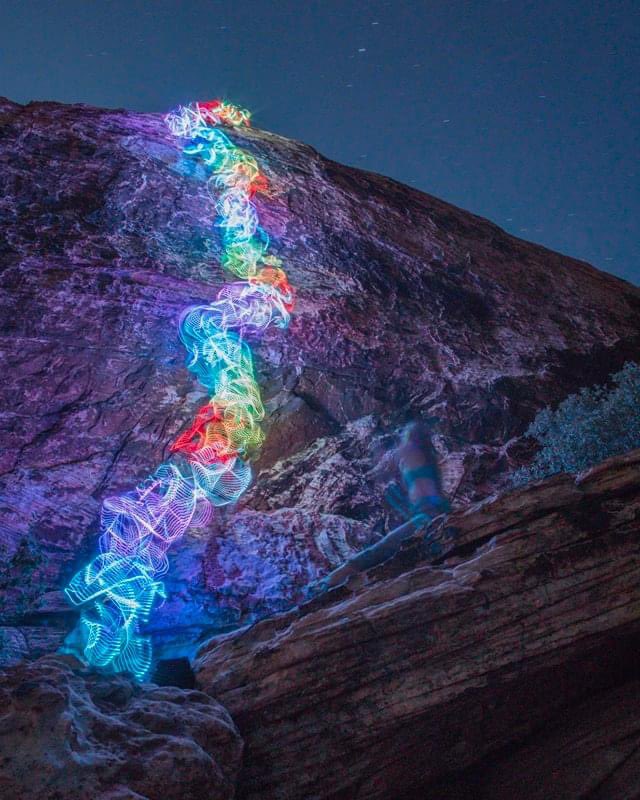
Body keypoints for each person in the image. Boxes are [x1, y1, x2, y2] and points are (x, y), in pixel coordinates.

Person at [309, 419, 450, 593]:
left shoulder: (409, 450)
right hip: (436, 513)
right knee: (384, 549)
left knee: (376, 552)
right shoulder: (429, 459)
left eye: (405, 432)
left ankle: (326, 586)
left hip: (426, 518)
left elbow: (385, 465)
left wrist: (376, 448)